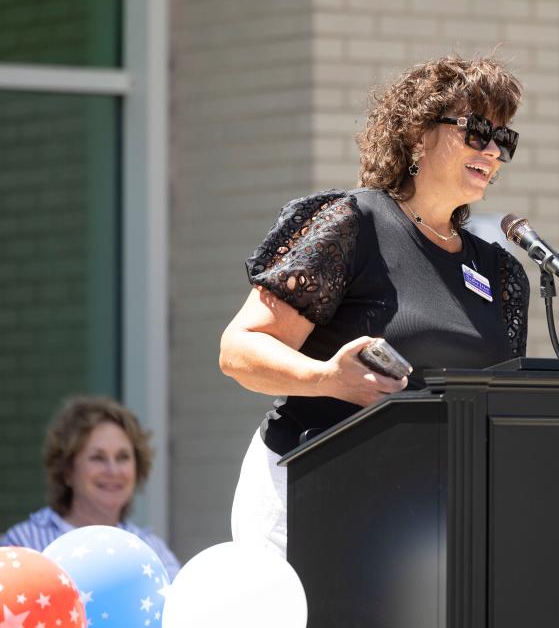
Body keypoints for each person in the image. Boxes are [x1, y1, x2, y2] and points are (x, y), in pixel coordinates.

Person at [220, 55, 531, 557]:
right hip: (308, 489)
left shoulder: (501, 273)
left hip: (422, 518)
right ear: (416, 135)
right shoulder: (353, 224)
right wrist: (328, 378)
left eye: (503, 139)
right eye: (476, 130)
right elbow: (239, 349)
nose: (492, 150)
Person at [1, 396, 181, 577]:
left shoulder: (153, 552)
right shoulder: (24, 545)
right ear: (67, 471)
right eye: (98, 457)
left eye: (122, 457)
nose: (113, 471)